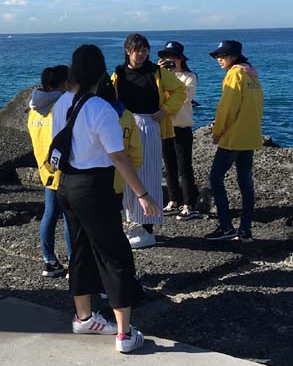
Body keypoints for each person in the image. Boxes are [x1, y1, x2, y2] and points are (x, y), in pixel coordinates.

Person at [53, 44, 160, 354]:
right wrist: (142, 194)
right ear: (101, 73)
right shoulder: (100, 108)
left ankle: (83, 317)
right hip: (93, 187)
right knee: (115, 255)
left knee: (80, 249)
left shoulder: (62, 102)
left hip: (66, 184)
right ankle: (125, 334)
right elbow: (119, 156)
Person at [110, 33, 186, 249]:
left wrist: (165, 111)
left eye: (145, 50)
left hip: (148, 124)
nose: (142, 54)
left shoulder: (156, 72)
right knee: (126, 176)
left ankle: (148, 228)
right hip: (125, 124)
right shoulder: (118, 73)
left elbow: (180, 90)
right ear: (128, 51)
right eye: (138, 50)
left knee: (148, 174)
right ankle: (133, 223)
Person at [205, 40, 264, 243]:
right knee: (245, 183)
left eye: (223, 55)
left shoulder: (235, 74)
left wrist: (217, 131)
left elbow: (227, 107)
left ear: (234, 56)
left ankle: (226, 226)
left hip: (233, 138)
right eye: (217, 56)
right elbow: (258, 105)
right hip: (250, 136)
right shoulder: (252, 74)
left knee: (215, 178)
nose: (219, 59)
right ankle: (245, 230)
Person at [27, 65, 72, 277]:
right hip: (64, 168)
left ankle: (49, 261)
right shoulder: (61, 106)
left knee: (50, 213)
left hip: (46, 168)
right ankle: (75, 263)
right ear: (64, 83)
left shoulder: (33, 109)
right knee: (70, 216)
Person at [156, 41, 198, 221]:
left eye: (173, 57)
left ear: (181, 58)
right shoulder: (161, 76)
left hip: (182, 127)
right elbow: (154, 94)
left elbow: (186, 97)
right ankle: (173, 201)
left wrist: (170, 77)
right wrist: (158, 74)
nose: (170, 60)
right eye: (166, 57)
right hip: (166, 126)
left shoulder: (189, 77)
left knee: (184, 167)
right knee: (169, 167)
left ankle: (189, 204)